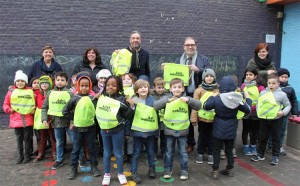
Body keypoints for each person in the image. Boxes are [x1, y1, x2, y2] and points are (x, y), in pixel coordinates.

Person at [204, 76, 252, 179]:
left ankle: (215, 171)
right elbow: (248, 109)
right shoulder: (237, 99)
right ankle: (230, 169)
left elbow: (205, 106)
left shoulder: (217, 99)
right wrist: (248, 98)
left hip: (218, 128)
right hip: (232, 128)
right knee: (229, 150)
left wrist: (211, 97)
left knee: (216, 150)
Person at [153, 78, 202, 180]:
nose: (177, 89)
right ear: (170, 89)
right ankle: (167, 170)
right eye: (174, 87)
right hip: (169, 130)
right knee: (168, 152)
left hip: (182, 131)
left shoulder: (186, 98)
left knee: (182, 152)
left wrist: (189, 100)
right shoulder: (167, 97)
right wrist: (167, 100)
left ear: (183, 89)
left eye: (179, 87)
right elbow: (155, 106)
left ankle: (184, 171)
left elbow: (199, 105)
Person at [96, 76, 135, 185]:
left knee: (118, 153)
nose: (110, 87)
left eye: (114, 85)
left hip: (118, 130)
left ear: (118, 87)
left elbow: (127, 116)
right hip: (104, 130)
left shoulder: (122, 99)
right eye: (108, 85)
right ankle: (107, 174)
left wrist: (131, 105)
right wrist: (95, 98)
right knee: (107, 153)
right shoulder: (101, 97)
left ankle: (120, 173)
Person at [176, 37, 211, 153]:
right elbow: (173, 77)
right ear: (183, 47)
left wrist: (198, 70)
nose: (190, 47)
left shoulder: (203, 59)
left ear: (196, 46)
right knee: (187, 119)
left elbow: (210, 73)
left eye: (192, 45)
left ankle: (204, 144)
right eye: (187, 45)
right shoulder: (178, 60)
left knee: (201, 119)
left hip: (199, 93)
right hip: (184, 93)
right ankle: (190, 143)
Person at [63, 75, 100, 180]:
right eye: (82, 86)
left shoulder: (92, 98)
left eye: (86, 86)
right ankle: (73, 168)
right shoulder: (74, 98)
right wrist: (72, 119)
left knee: (92, 149)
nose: (84, 88)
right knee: (76, 150)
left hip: (91, 128)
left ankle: (94, 167)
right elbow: (65, 111)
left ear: (90, 86)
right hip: (77, 129)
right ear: (78, 86)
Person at [251, 73, 291, 165]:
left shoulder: (282, 94)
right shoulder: (263, 92)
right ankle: (260, 154)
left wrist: (283, 112)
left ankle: (275, 156)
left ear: (278, 84)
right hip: (264, 119)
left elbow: (288, 105)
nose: (271, 85)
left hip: (276, 119)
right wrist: (258, 111)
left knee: (275, 138)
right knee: (262, 137)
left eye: (273, 83)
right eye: (269, 83)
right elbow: (258, 103)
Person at [42, 72, 74, 170]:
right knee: (59, 142)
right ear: (54, 81)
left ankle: (79, 158)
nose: (60, 82)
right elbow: (44, 107)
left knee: (75, 141)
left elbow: (74, 108)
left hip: (69, 122)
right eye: (58, 80)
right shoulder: (50, 93)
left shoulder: (70, 93)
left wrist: (72, 121)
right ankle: (59, 160)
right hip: (56, 122)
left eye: (62, 80)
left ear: (66, 82)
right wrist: (44, 119)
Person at [3, 70, 35, 164]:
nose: (20, 83)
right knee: (19, 139)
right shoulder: (10, 92)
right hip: (16, 120)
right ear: (15, 82)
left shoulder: (30, 92)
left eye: (22, 81)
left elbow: (33, 103)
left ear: (25, 82)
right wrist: (9, 110)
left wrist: (33, 110)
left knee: (27, 138)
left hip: (27, 119)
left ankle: (27, 155)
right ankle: (20, 156)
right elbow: (6, 104)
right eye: (18, 81)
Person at [130, 79, 158, 183]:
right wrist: (128, 132)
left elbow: (156, 117)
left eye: (145, 87)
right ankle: (134, 172)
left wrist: (157, 131)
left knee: (151, 152)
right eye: (140, 87)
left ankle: (152, 169)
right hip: (137, 133)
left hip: (150, 133)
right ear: (136, 90)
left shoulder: (152, 100)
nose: (143, 89)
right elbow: (130, 117)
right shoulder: (134, 100)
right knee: (136, 153)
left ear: (148, 89)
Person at [190, 69, 219, 165]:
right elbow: (195, 105)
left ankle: (211, 153)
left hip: (213, 119)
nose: (209, 78)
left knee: (212, 137)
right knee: (202, 137)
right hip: (202, 119)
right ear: (203, 78)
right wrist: (194, 118)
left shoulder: (217, 90)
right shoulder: (199, 90)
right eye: (207, 76)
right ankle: (200, 153)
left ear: (214, 77)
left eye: (211, 76)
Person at [240, 67, 265, 156]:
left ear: (255, 76)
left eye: (250, 74)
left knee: (255, 130)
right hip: (246, 111)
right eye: (247, 74)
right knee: (245, 129)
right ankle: (245, 146)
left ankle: (253, 145)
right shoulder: (243, 86)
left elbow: (263, 99)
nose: (248, 76)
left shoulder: (260, 87)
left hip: (256, 112)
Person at [33, 76, 56, 163]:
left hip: (50, 117)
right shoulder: (37, 94)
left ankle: (54, 152)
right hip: (41, 118)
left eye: (46, 83)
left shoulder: (52, 93)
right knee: (42, 137)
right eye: (42, 83)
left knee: (52, 137)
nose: (44, 84)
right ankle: (41, 153)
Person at [275, 68, 298, 155]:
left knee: (282, 130)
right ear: (278, 77)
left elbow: (294, 101)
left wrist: (295, 112)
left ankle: (279, 146)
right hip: (274, 113)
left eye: (286, 77)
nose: (284, 78)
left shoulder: (290, 88)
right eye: (282, 77)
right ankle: (270, 145)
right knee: (272, 130)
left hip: (285, 114)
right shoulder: (275, 87)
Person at [150, 77, 167, 159]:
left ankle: (164, 152)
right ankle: (154, 153)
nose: (161, 90)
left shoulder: (167, 95)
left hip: (164, 120)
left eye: (162, 88)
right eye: (158, 88)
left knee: (164, 138)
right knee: (154, 138)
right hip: (155, 120)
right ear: (154, 87)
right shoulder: (151, 95)